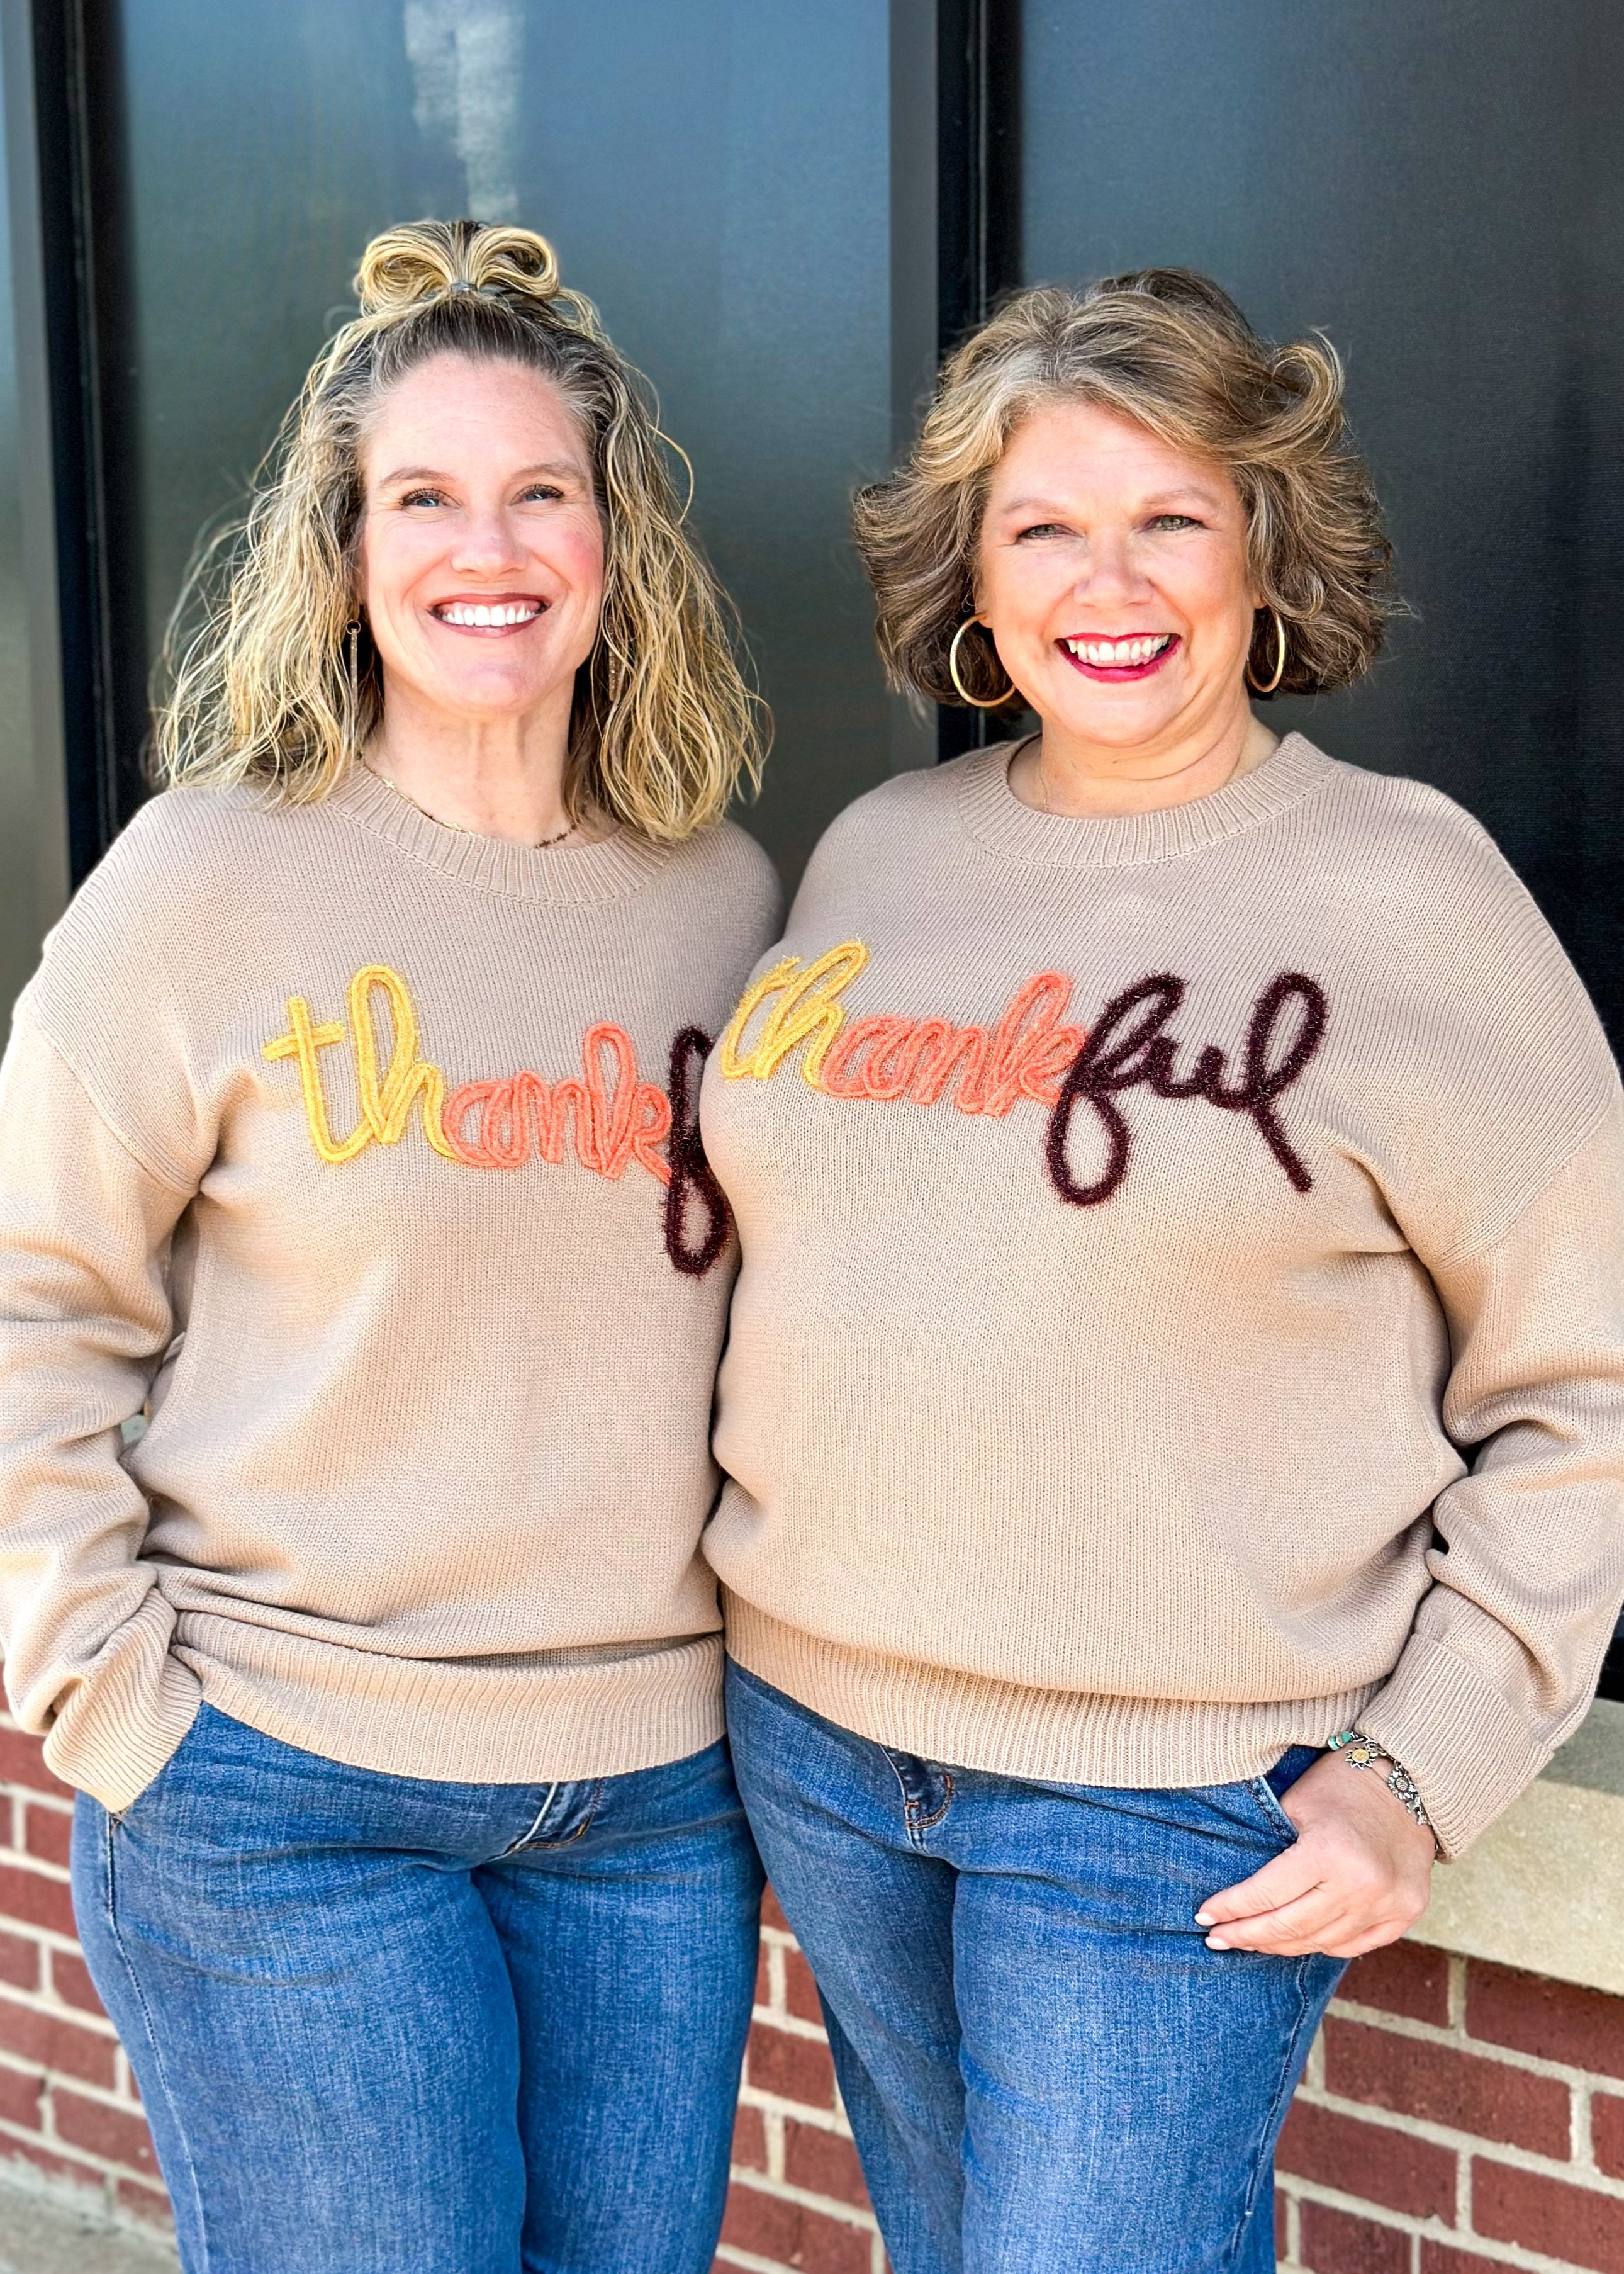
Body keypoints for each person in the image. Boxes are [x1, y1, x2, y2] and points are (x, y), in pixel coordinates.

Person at [700, 269, 1624, 2274]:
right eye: (1043, 526)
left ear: (1264, 547)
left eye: (1169, 519)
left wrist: (1423, 1763)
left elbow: (1590, 1389)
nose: (1104, 582)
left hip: (1162, 1802)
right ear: (971, 568)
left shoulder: (1411, 894)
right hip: (825, 1748)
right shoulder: (875, 853)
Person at [0, 218, 777, 2274]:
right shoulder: (209, 881)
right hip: (282, 1788)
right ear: (342, 549)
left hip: (649, 1806)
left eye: (541, 492)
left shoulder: (724, 900)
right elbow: (31, 1300)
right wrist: (104, 1690)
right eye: (421, 497)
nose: (486, 546)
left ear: (620, 544)